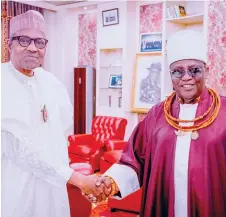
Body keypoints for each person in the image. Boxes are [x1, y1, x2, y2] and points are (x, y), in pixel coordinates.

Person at [85, 30, 226, 217]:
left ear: (207, 71)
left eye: (194, 70)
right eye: (178, 71)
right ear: (170, 74)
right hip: (163, 206)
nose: (186, 77)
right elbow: (134, 160)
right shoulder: (157, 115)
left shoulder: (223, 111)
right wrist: (111, 183)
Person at [1, 10, 110, 217]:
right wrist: (79, 179)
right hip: (16, 185)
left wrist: (74, 180)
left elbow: (61, 138)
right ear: (9, 44)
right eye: (24, 40)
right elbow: (20, 150)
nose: (33, 48)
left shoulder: (53, 84)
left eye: (40, 42)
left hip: (53, 189)